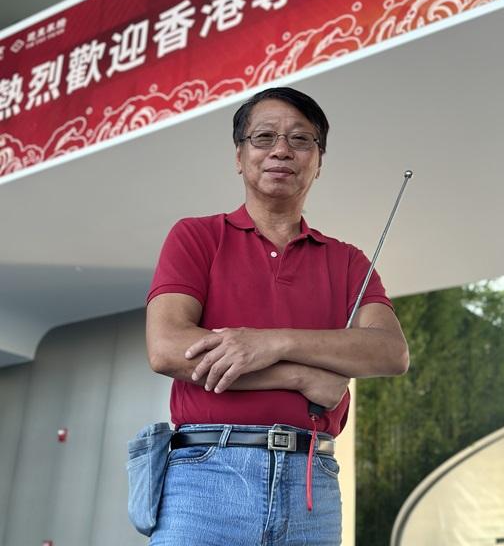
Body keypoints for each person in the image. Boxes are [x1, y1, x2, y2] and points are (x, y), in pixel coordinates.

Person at [145, 86, 409, 546]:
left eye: (301, 139)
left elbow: (391, 352)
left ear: (318, 162)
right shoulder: (196, 237)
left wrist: (271, 342)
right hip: (206, 475)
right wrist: (302, 376)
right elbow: (168, 349)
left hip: (311, 481)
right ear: (239, 156)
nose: (282, 150)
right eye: (264, 137)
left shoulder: (348, 261)